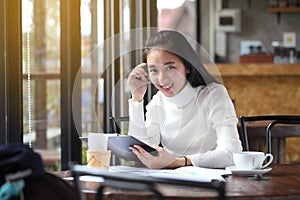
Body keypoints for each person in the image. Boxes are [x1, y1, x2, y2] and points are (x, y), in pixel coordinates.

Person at [127, 30, 242, 169]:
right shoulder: (158, 101)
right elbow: (141, 150)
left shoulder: (213, 95)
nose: (162, 79)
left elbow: (232, 153)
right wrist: (136, 98)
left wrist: (179, 162)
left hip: (212, 181)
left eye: (170, 67)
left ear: (187, 66)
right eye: (154, 70)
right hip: (172, 179)